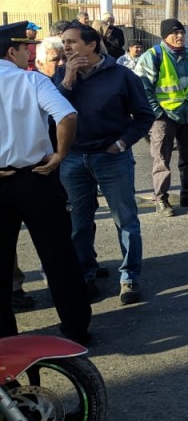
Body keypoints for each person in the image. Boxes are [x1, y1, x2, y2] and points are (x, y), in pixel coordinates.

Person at [0, 22, 92, 344]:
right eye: (25, 49)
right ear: (11, 51)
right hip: (37, 177)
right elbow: (67, 116)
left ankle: (5, 340)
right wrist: (60, 155)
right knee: (58, 256)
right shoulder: (33, 80)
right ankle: (76, 328)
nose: (29, 54)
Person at [54, 23, 154, 304]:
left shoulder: (121, 75)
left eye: (72, 42)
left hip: (112, 158)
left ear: (92, 45)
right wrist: (68, 81)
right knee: (79, 223)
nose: (66, 47)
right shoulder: (61, 75)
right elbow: (53, 113)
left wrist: (122, 143)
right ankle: (85, 274)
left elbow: (144, 116)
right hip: (74, 159)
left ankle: (129, 277)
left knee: (125, 219)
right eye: (64, 42)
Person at [136, 18, 188, 216]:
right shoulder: (153, 56)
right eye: (175, 33)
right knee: (162, 159)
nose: (180, 36)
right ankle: (161, 199)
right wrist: (158, 113)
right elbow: (142, 88)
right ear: (164, 36)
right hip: (164, 117)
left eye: (182, 33)